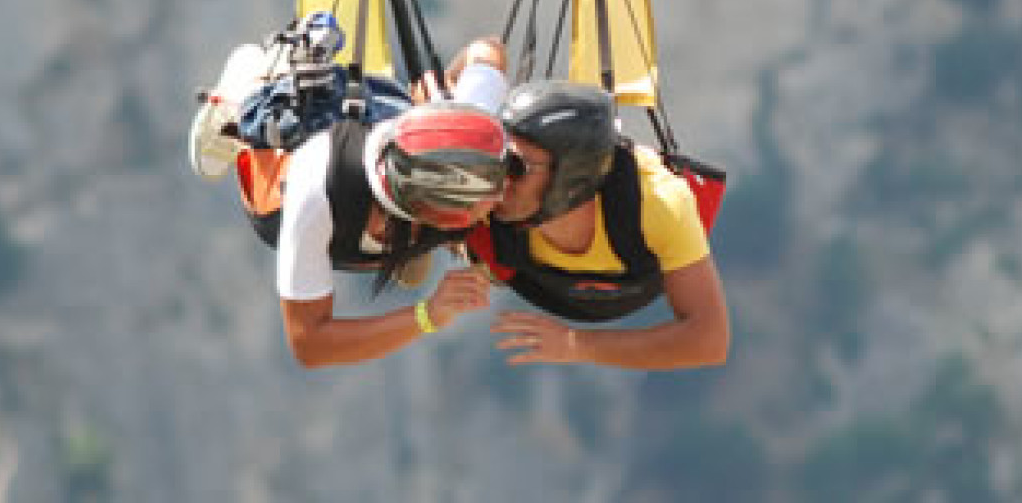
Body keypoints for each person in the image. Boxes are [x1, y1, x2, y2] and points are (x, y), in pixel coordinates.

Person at [189, 29, 514, 369]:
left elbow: (487, 52)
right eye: (484, 197)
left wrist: (450, 102)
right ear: (442, 214)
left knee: (430, 251)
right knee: (261, 107)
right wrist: (427, 315)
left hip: (396, 146)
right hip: (288, 196)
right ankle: (240, 91)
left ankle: (411, 250)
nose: (502, 192)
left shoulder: (474, 137)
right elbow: (308, 343)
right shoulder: (317, 185)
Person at [469, 78, 732, 370]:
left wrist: (573, 344)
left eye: (516, 168)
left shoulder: (660, 203)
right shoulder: (484, 188)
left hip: (636, 280)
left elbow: (708, 340)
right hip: (530, 277)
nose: (500, 177)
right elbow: (487, 51)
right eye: (500, 159)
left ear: (569, 177)